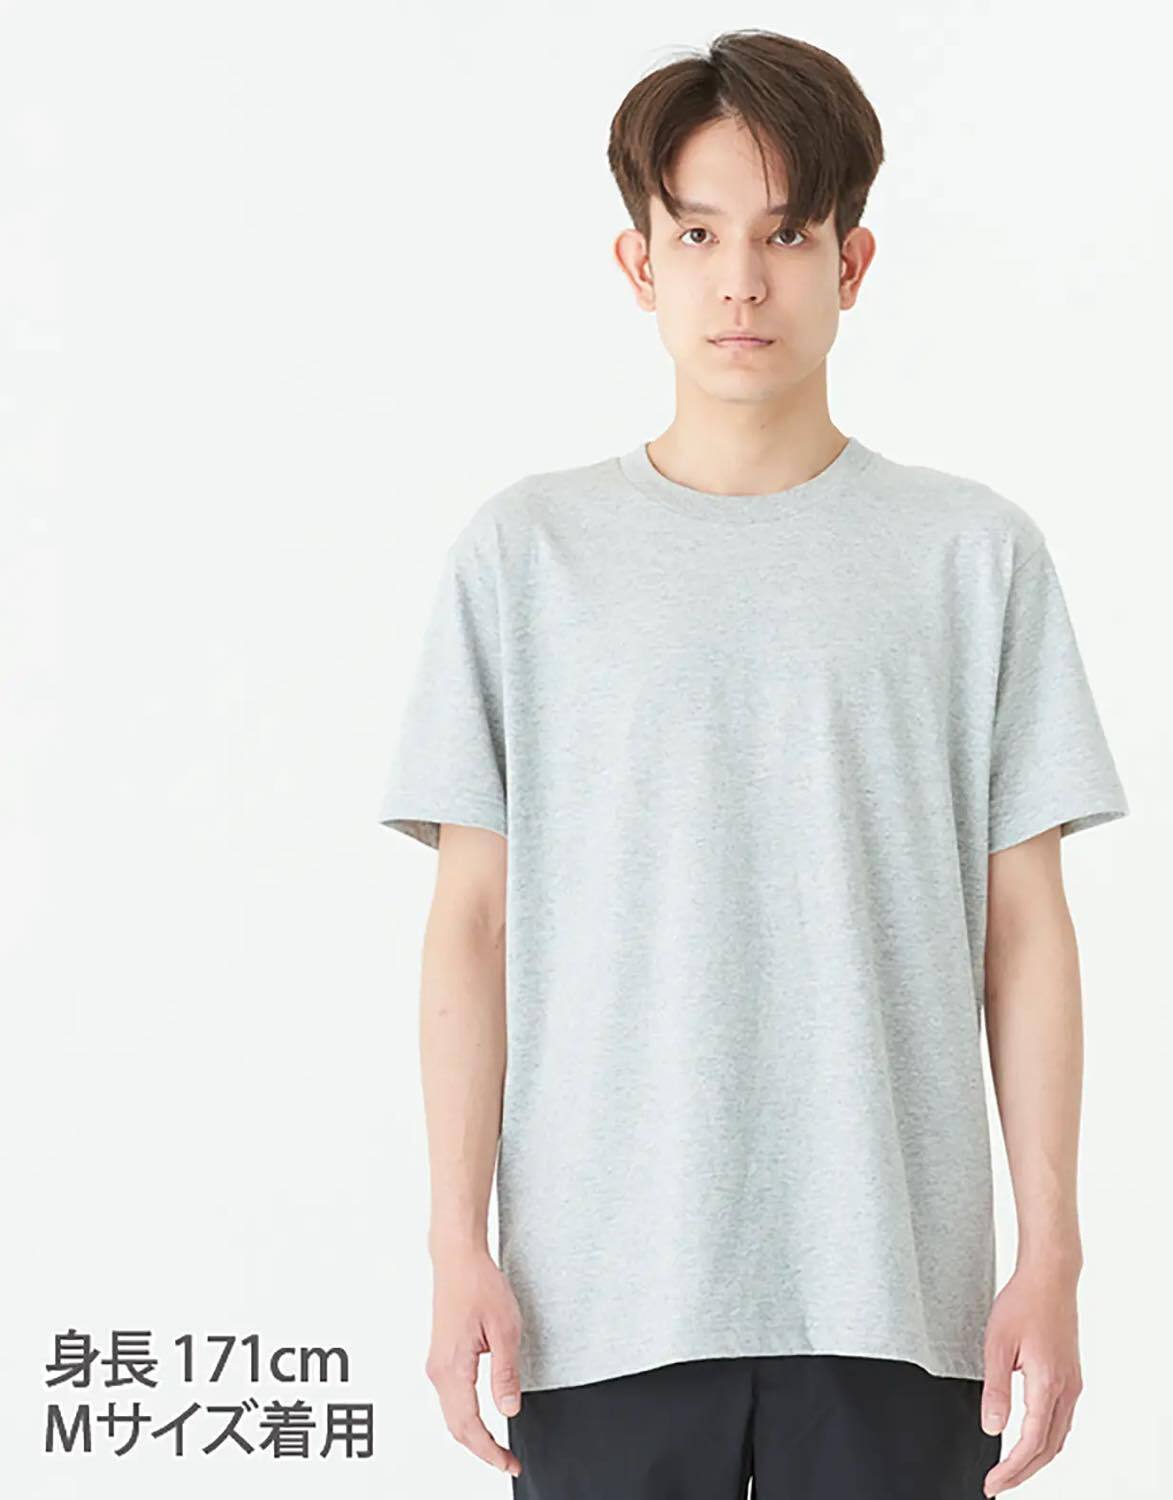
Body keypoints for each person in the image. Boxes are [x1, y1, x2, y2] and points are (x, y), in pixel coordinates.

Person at [378, 28, 1128, 1500]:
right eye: (698, 234)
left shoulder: (971, 557)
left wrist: (1054, 1254)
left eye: (785, 235)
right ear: (637, 263)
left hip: (897, 1305)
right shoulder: (527, 557)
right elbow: (472, 923)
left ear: (852, 263)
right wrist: (455, 1241)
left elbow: (1026, 931)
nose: (740, 282)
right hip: (596, 1307)